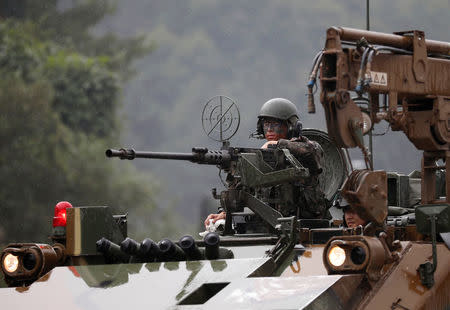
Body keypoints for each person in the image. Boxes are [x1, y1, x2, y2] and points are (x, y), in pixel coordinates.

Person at [204, 98, 328, 228]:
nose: (269, 130)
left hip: (305, 227)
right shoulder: (259, 157)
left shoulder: (307, 150)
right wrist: (224, 213)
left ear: (291, 126)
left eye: (275, 125)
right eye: (266, 125)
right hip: (268, 227)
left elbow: (313, 151)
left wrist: (278, 144)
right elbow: (243, 192)